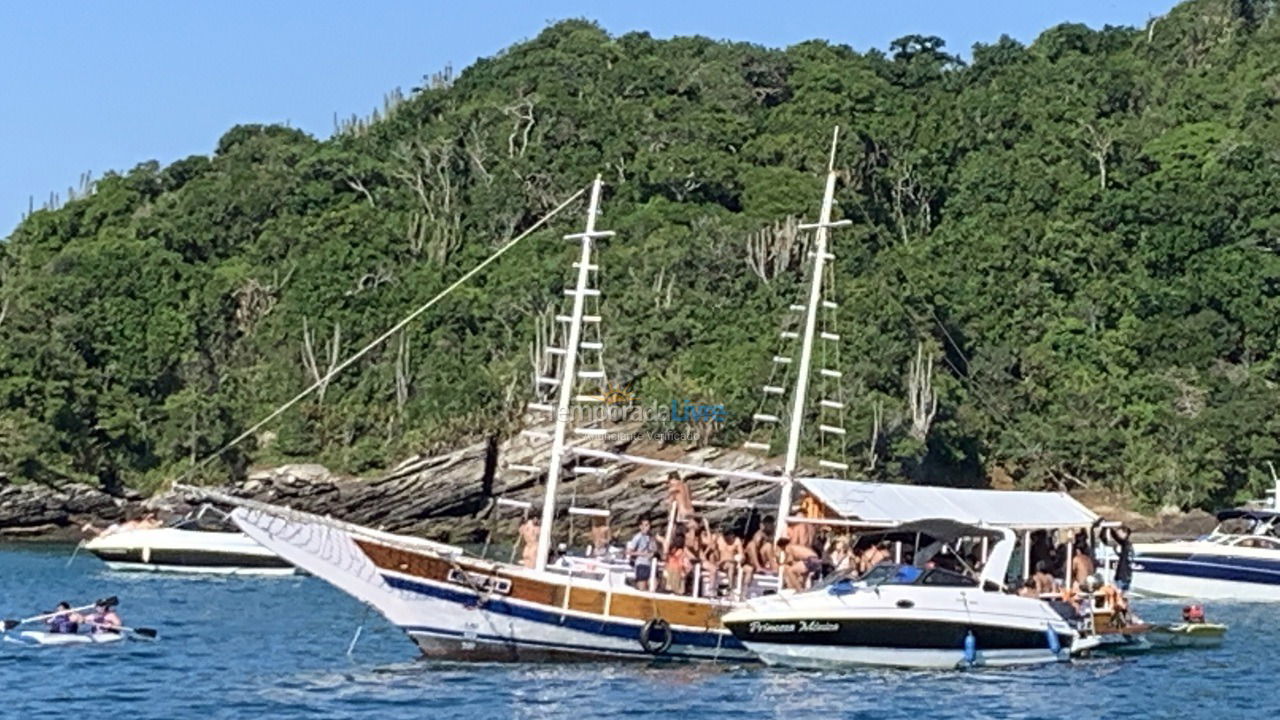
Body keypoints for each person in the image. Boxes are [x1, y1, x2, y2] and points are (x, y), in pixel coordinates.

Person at [625, 518, 657, 591]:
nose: (646, 527)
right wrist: (641, 553)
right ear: (640, 526)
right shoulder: (638, 537)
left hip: (650, 564)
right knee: (642, 588)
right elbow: (628, 552)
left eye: (647, 525)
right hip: (641, 564)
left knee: (653, 586)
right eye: (644, 525)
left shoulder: (651, 537)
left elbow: (653, 549)